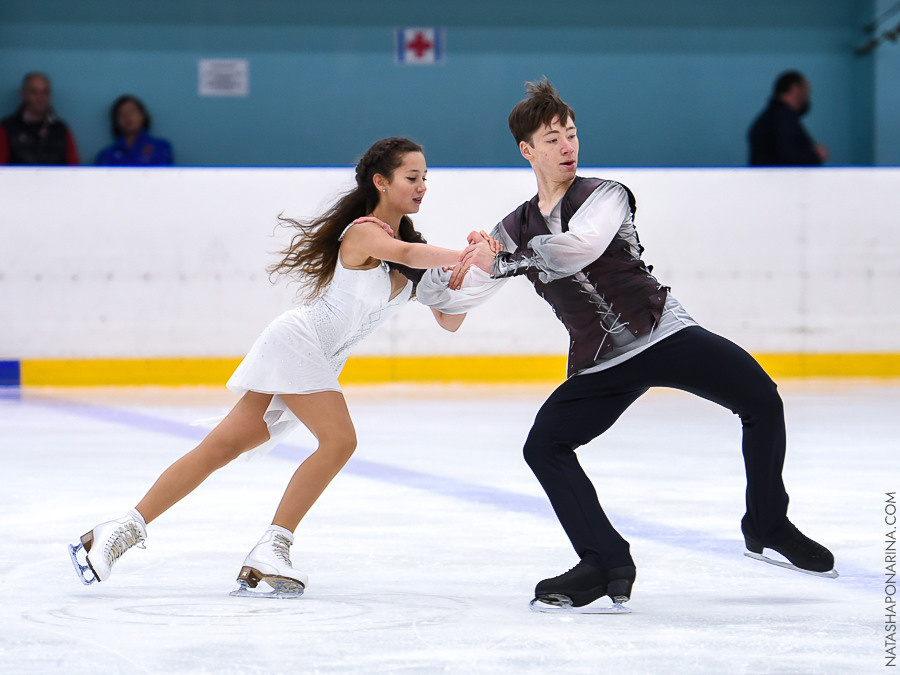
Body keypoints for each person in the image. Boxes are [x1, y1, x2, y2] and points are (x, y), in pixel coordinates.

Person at [417, 79, 837, 613]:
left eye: (571, 134)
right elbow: (456, 309)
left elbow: (578, 250)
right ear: (527, 150)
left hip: (662, 332)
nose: (567, 146)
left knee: (761, 399)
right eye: (552, 139)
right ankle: (604, 560)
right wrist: (436, 274)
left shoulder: (605, 195)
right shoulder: (512, 226)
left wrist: (497, 259)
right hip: (600, 360)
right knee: (543, 446)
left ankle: (768, 523)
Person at [69, 137, 467, 597]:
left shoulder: (411, 247)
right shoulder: (365, 232)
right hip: (299, 342)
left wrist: (479, 276)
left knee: (219, 448)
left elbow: (450, 318)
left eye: (425, 179)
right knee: (340, 441)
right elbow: (414, 257)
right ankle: (273, 546)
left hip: (318, 358)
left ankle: (114, 533)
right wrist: (465, 253)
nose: (421, 187)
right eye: (412, 177)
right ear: (381, 181)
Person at [747, 70, 828, 166]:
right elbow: (788, 157)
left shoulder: (767, 118)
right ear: (795, 89)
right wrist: (815, 156)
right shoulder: (783, 119)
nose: (807, 97)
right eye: (806, 91)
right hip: (781, 180)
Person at [0, 72, 79, 165]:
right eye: (34, 92)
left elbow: (74, 171)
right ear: (23, 94)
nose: (40, 97)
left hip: (56, 179)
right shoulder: (7, 128)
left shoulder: (61, 130)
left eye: (45, 92)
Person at [95, 95, 174, 166]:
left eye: (132, 112)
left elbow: (162, 177)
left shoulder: (160, 147)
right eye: (121, 114)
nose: (128, 117)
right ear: (116, 121)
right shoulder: (107, 155)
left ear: (142, 116)